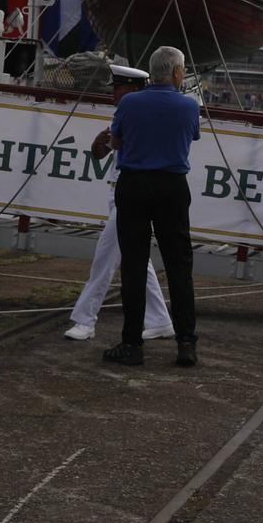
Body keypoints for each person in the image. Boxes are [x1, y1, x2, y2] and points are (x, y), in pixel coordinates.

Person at [103, 45, 202, 368]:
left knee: (133, 265)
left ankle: (132, 343)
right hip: (172, 187)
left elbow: (116, 142)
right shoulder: (189, 107)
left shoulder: (130, 102)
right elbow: (190, 139)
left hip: (133, 185)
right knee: (179, 267)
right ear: (176, 73)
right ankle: (186, 343)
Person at [64, 67, 174, 343]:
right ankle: (160, 320)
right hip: (117, 194)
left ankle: (85, 320)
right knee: (137, 261)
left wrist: (110, 141)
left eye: (117, 88)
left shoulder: (143, 116)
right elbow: (102, 152)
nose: (112, 93)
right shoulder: (123, 115)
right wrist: (98, 143)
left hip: (130, 196)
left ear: (133, 90)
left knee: (104, 259)